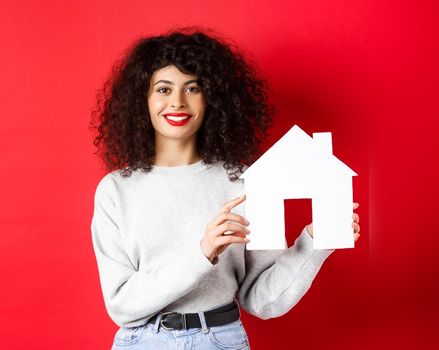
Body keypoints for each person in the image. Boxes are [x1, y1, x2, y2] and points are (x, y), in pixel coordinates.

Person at [89, 28, 361, 349]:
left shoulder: (244, 182)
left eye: (192, 88)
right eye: (163, 89)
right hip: (142, 341)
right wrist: (202, 252)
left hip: (219, 340)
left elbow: (262, 301)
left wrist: (313, 244)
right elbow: (121, 305)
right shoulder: (116, 191)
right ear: (143, 100)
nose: (177, 102)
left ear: (211, 99)